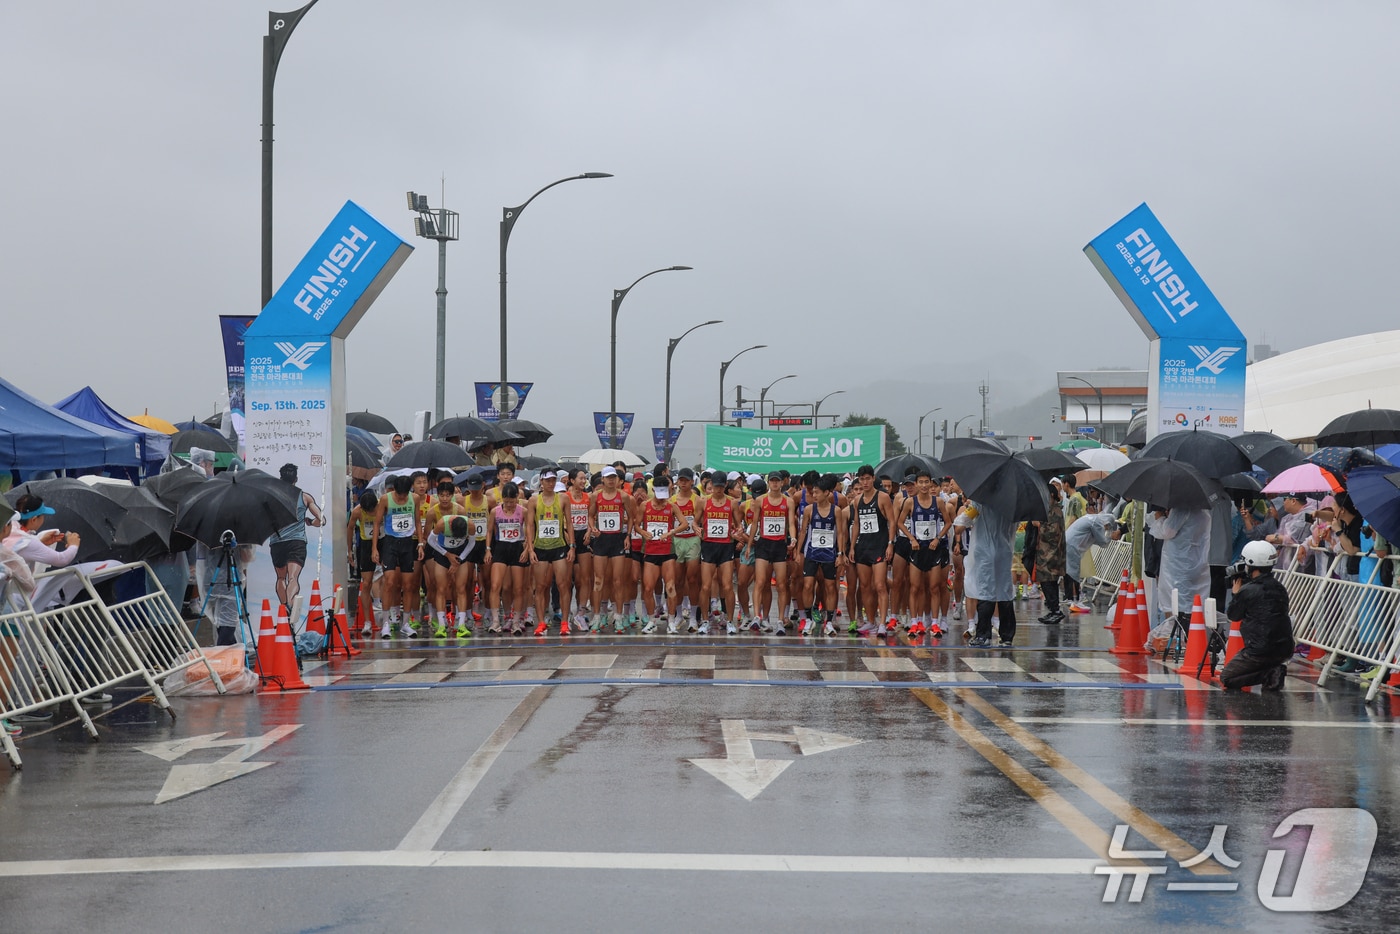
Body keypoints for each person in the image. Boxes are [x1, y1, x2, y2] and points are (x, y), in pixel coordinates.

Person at [1220, 542, 1293, 691]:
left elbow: (1233, 615)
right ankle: (1273, 670)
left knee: (1227, 678)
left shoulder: (1248, 590)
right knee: (1264, 659)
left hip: (1259, 649)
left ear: (1252, 565)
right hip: (1285, 648)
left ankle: (1270, 673)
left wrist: (1235, 594)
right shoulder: (1280, 587)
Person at [268, 464, 325, 617]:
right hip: (297, 542)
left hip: (277, 542)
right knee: (293, 578)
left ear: (281, 479)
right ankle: (291, 605)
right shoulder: (305, 497)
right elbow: (322, 520)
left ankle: (284, 609)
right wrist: (310, 522)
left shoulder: (272, 497)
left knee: (281, 578)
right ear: (296, 479)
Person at [1147, 504, 1212, 633]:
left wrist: (1159, 519)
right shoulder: (1204, 512)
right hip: (1197, 563)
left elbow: (1166, 532)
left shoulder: (1181, 509)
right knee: (1193, 605)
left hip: (1177, 565)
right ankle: (1191, 635)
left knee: (1174, 603)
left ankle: (1176, 635)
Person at [796, 473, 848, 636]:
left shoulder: (836, 511)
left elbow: (840, 533)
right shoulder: (810, 510)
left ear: (827, 493)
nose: (814, 495)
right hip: (812, 552)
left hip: (829, 554)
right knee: (808, 585)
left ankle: (829, 621)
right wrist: (798, 552)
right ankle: (808, 619)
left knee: (830, 586)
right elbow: (803, 532)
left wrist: (840, 554)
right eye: (813, 492)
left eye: (817, 492)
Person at [370, 474, 420, 638]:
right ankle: (386, 622)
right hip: (390, 543)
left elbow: (417, 521)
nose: (402, 498)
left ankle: (405, 623)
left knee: (408, 585)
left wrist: (420, 543)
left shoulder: (414, 499)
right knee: (389, 582)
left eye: (404, 495)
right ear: (394, 490)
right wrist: (374, 548)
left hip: (407, 543)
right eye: (399, 494)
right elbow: (377, 523)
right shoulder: (386, 499)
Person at [848, 464, 896, 636]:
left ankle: (882, 623)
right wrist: (852, 547)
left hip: (879, 546)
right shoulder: (857, 500)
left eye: (868, 479)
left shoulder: (882, 497)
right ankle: (870, 621)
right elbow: (856, 524)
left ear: (873, 479)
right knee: (865, 587)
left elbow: (892, 521)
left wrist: (890, 543)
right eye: (862, 479)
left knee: (880, 585)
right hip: (863, 547)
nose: (865, 482)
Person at [749, 470, 797, 634]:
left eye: (777, 481)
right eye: (772, 481)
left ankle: (780, 620)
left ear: (782, 483)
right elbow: (755, 523)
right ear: (768, 483)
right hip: (763, 544)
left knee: (782, 584)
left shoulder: (788, 501)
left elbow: (791, 523)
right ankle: (757, 616)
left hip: (779, 545)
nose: (775, 483)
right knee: (760, 581)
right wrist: (749, 544)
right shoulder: (760, 500)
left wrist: (793, 539)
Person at [966, 497, 1017, 648]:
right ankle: (1007, 636)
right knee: (1005, 591)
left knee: (985, 591)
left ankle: (983, 635)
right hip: (1004, 550)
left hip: (985, 552)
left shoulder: (980, 501)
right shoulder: (1011, 502)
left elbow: (965, 520)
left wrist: (963, 514)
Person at [526, 472, 574, 636]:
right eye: (547, 480)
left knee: (563, 585)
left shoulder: (563, 498)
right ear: (541, 481)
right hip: (540, 548)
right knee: (540, 587)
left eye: (553, 480)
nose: (550, 483)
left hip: (559, 546)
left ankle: (565, 622)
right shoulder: (534, 500)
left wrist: (572, 546)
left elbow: (569, 523)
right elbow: (530, 526)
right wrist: (530, 549)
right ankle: (541, 623)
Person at [637, 477, 682, 634]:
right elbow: (636, 525)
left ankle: (671, 621)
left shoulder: (672, 506)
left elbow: (684, 523)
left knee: (670, 587)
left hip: (667, 552)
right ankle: (651, 621)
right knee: (648, 588)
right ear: (654, 490)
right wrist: (643, 532)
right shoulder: (645, 506)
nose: (662, 497)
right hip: (651, 551)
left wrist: (671, 532)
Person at [486, 482, 530, 635]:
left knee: (518, 588)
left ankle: (516, 621)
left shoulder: (523, 511)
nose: (510, 505)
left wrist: (527, 549)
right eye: (507, 502)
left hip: (517, 548)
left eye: (512, 501)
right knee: (496, 586)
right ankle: (496, 621)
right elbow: (489, 531)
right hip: (501, 548)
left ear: (517, 497)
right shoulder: (495, 511)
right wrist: (488, 550)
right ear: (502, 498)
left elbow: (529, 531)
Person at [1063, 512, 1120, 613]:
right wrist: (1110, 535)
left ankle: (1070, 598)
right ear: (1106, 523)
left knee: (1069, 571)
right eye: (1107, 527)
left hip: (1068, 543)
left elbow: (1094, 538)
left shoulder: (1091, 518)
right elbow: (1103, 542)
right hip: (1073, 546)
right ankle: (1075, 601)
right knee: (1074, 573)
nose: (1105, 529)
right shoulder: (1097, 523)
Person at [1033, 481, 1067, 624]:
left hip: (1051, 554)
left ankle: (1056, 610)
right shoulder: (1049, 509)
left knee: (1049, 582)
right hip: (1045, 553)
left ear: (1051, 495)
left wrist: (1039, 525)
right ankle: (1053, 609)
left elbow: (1052, 533)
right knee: (1047, 582)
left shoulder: (1055, 511)